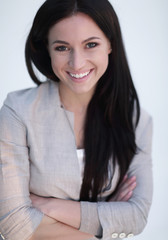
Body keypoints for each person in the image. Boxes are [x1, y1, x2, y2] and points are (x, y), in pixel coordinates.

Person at [0, 0, 153, 239]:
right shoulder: (17, 111)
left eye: (90, 44)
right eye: (62, 48)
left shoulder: (136, 121)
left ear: (110, 44)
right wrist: (104, 216)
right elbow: (13, 223)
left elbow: (136, 216)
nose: (77, 63)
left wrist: (45, 205)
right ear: (47, 49)